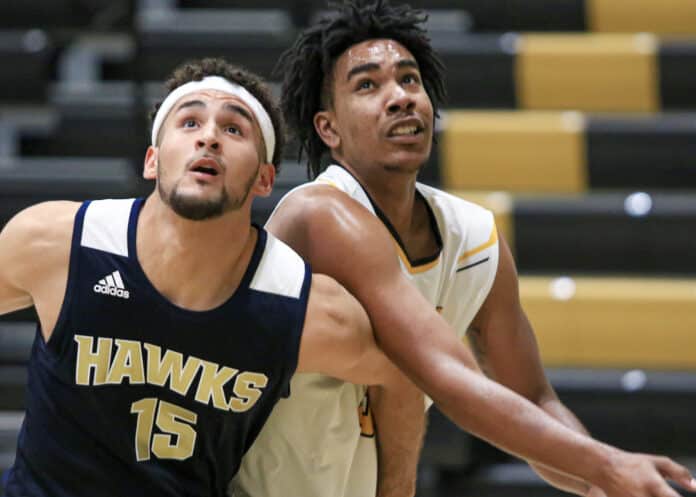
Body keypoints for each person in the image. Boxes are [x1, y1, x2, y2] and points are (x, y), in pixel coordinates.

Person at [232, 2, 696, 497]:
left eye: (410, 81)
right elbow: (446, 375)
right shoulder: (318, 215)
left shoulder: (474, 238)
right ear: (329, 129)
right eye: (368, 85)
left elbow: (536, 403)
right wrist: (609, 466)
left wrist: (606, 486)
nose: (400, 98)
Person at [0, 58, 403, 497]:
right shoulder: (57, 242)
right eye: (190, 122)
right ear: (152, 160)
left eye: (234, 130)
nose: (209, 137)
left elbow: (404, 375)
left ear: (264, 178)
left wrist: (398, 486)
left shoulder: (301, 308)